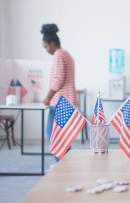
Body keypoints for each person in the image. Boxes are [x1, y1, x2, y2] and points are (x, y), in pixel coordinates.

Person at [41, 23, 77, 161]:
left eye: (45, 47)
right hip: (66, 101)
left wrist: (47, 97)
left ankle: (61, 165)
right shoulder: (66, 54)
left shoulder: (58, 54)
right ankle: (63, 164)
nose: (46, 50)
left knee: (55, 136)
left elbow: (57, 80)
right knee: (61, 136)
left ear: (51, 43)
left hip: (61, 101)